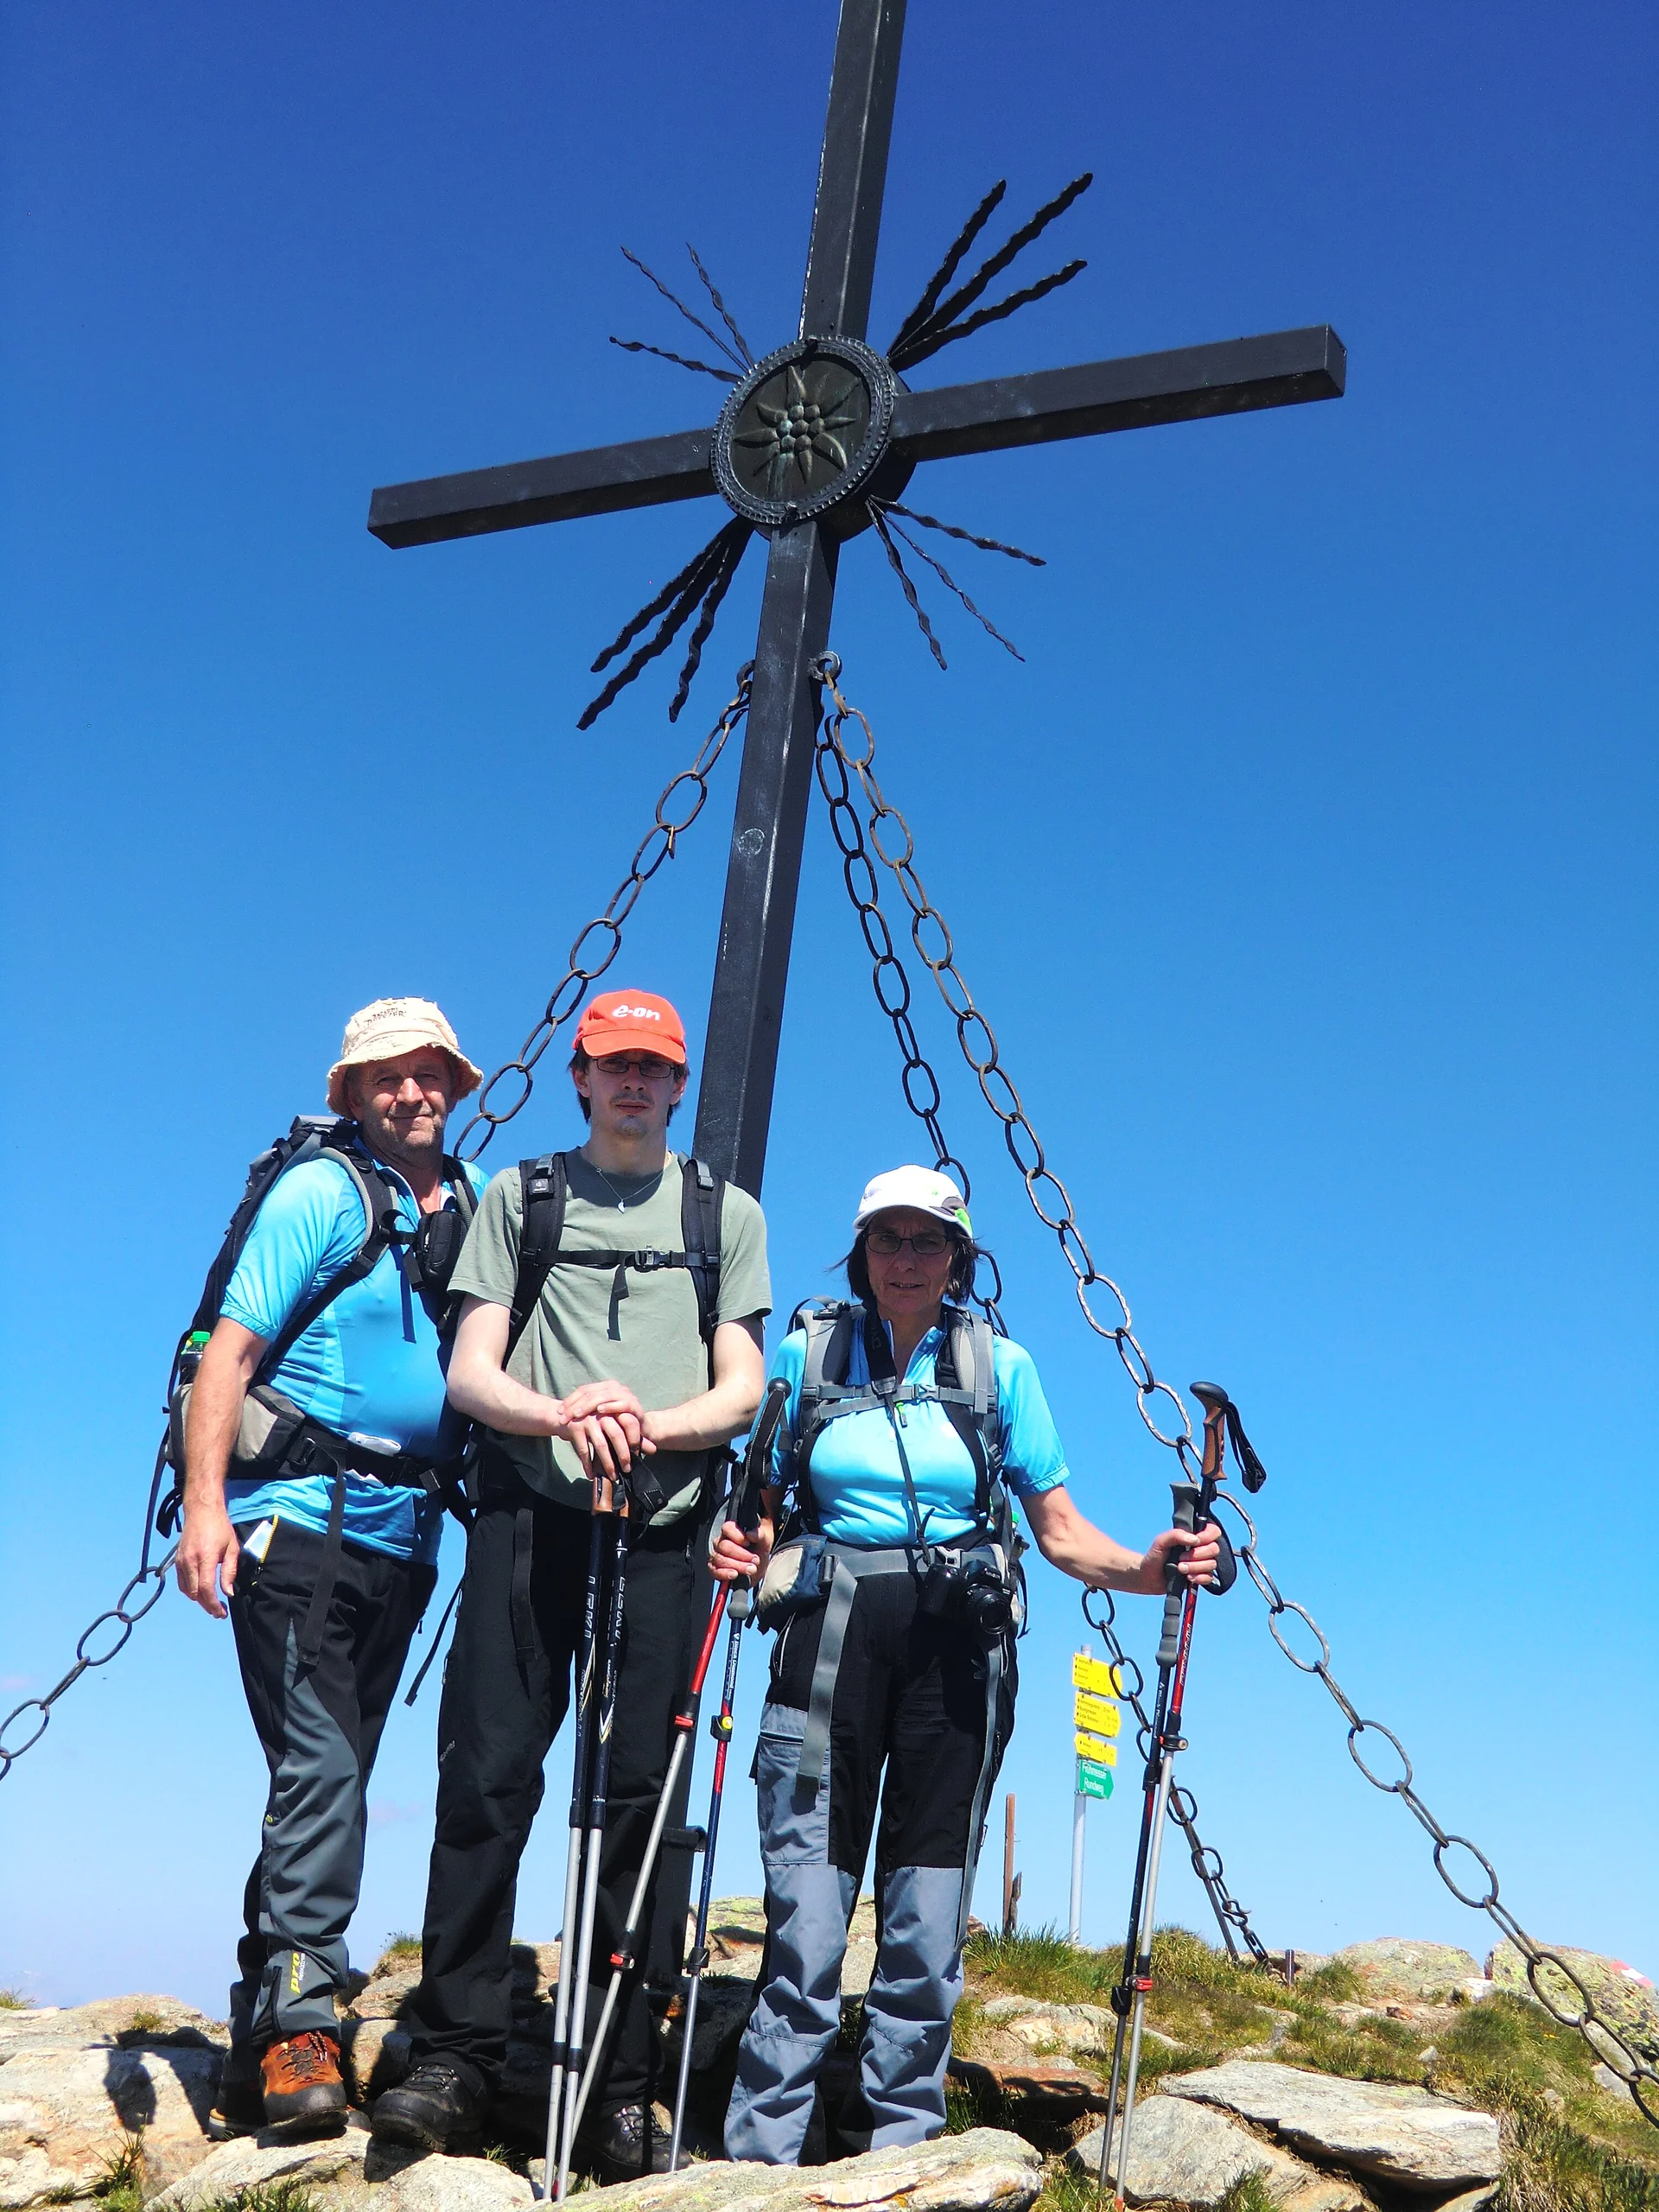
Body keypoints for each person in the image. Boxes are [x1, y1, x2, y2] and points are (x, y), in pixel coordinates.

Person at [711, 1165, 1223, 2164]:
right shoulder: (808, 1354)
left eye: (928, 1241)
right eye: (888, 1240)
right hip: (830, 1645)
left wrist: (1150, 1571)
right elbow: (759, 1505)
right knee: (807, 1915)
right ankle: (762, 2155)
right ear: (861, 1252)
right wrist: (738, 1548)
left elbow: (1060, 1529)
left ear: (959, 1257)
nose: (907, 1260)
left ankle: (904, 2147)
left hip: (959, 1655)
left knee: (925, 1907)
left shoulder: (1002, 1368)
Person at [372, 989, 770, 2182]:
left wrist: (645, 1427)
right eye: (615, 1066)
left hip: (663, 1533)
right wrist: (567, 1414)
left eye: (655, 1068)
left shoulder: (724, 1215)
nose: (635, 1085)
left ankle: (616, 2081)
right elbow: (472, 1368)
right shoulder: (521, 1198)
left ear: (677, 1086)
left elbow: (742, 1384)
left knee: (640, 1801)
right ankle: (453, 2056)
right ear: (583, 1081)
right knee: (488, 1778)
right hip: (528, 1518)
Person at [175, 998, 486, 2138]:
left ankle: (261, 2030)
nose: (412, 1092)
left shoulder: (476, 1206)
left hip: (406, 1541)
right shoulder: (322, 1192)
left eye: (429, 1074)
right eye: (386, 1077)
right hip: (297, 1520)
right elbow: (232, 1351)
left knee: (333, 1768)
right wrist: (204, 1505)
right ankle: (307, 2021)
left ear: (456, 1084)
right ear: (353, 1093)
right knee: (323, 1768)